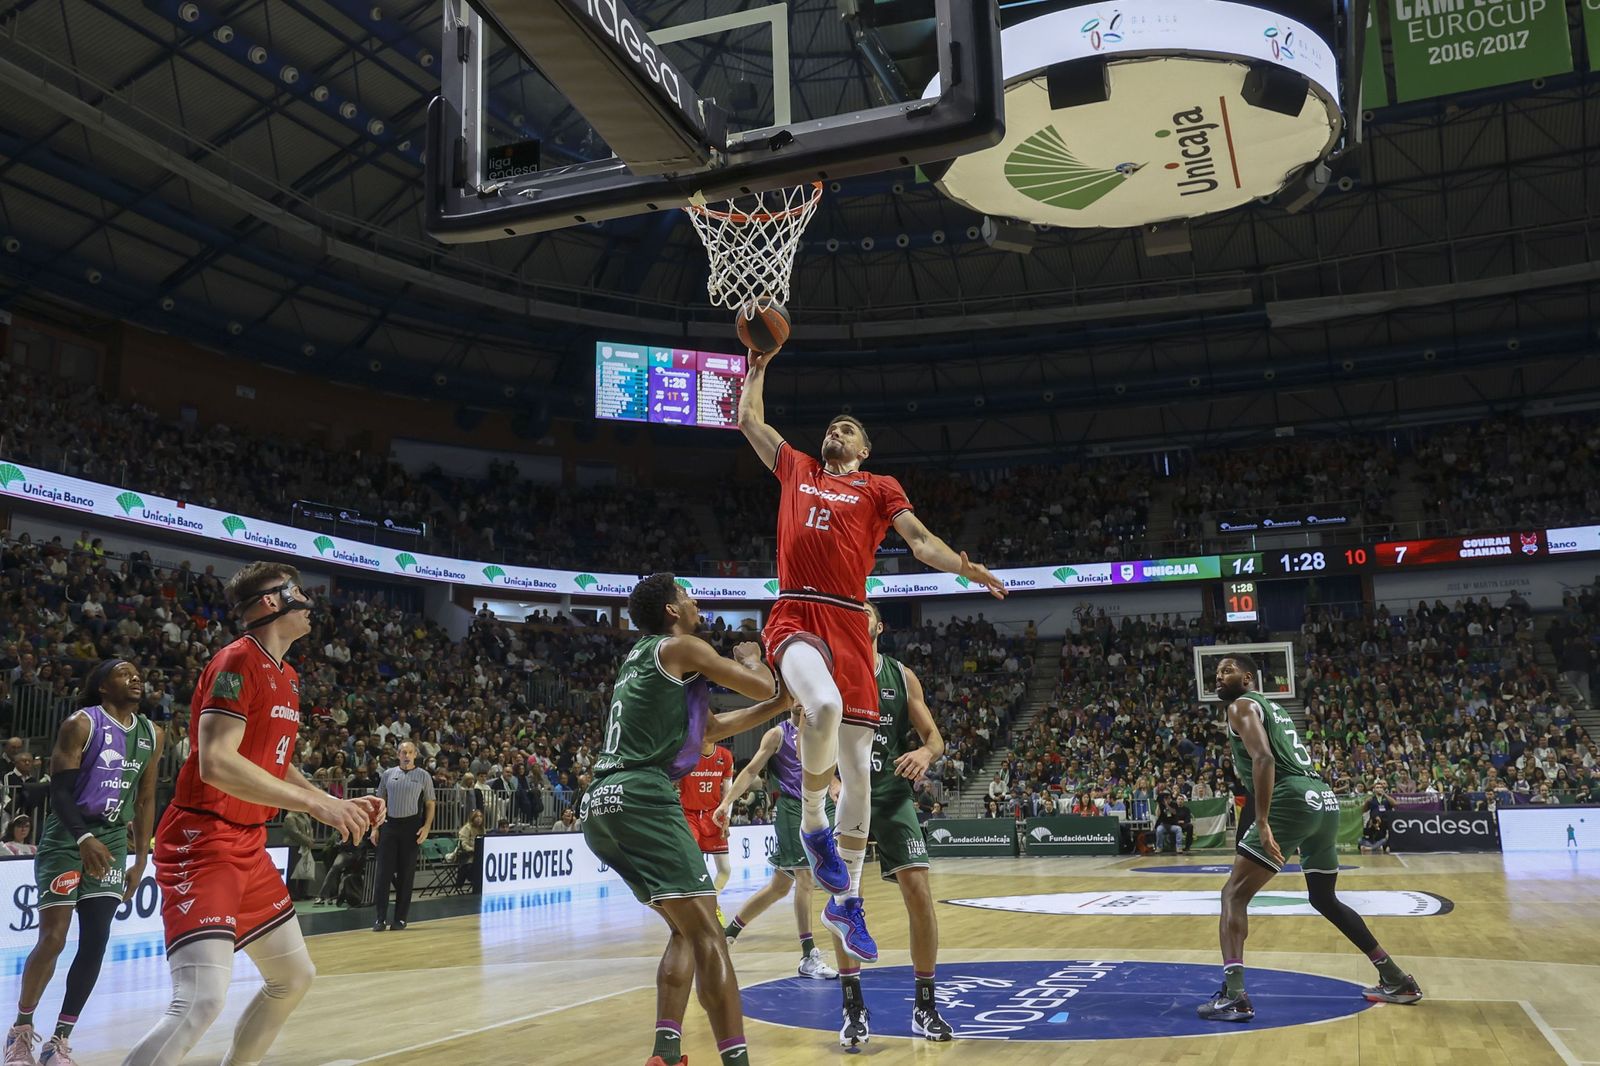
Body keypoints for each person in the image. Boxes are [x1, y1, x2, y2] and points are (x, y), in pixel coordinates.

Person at [737, 343, 1005, 963]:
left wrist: (968, 569)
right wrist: (757, 367)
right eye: (832, 425)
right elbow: (751, 420)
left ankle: (847, 899)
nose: (836, 430)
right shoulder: (796, 467)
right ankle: (812, 825)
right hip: (799, 608)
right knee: (822, 707)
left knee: (857, 772)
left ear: (863, 451)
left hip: (851, 622)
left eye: (848, 429)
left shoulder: (881, 487)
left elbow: (920, 541)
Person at [122, 562, 383, 1066]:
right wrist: (315, 803)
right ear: (273, 602)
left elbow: (272, 765)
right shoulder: (236, 662)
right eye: (299, 593)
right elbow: (218, 762)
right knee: (200, 999)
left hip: (248, 842)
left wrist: (334, 804)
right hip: (204, 837)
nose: (308, 603)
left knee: (294, 977)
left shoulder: (287, 676)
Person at [580, 573, 791, 1066]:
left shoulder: (644, 661)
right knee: (709, 932)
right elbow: (759, 682)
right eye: (686, 595)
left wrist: (778, 706)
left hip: (600, 805)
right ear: (672, 611)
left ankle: (667, 1052)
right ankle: (736, 1061)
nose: (695, 601)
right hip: (643, 796)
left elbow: (711, 731)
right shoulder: (682, 647)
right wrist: (753, 660)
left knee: (684, 928)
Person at [1198, 654, 1422, 1023]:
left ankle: (1234, 996)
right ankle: (1397, 978)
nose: (1219, 677)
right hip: (1323, 797)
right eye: (1217, 672)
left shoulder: (1240, 706)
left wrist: (1263, 819)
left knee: (1233, 894)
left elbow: (1264, 759)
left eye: (1227, 670)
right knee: (1323, 897)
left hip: (1292, 797)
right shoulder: (1276, 709)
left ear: (1248, 678)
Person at [6, 660, 162, 1066]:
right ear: (102, 686)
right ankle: (20, 1030)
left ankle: (59, 1040)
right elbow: (59, 794)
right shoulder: (81, 723)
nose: (136, 678)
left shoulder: (151, 734)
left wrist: (142, 858)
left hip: (113, 840)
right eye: (125, 673)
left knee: (96, 939)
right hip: (67, 836)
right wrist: (83, 837)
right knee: (54, 938)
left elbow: (146, 799)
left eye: (138, 674)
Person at [827, 601, 955, 1050]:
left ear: (879, 625)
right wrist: (832, 782)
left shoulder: (901, 676)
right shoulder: (831, 671)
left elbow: (934, 737)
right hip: (849, 798)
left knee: (919, 892)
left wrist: (925, 753)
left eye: (863, 609)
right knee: (845, 902)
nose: (854, 613)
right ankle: (853, 1008)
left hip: (892, 793)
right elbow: (809, 737)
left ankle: (924, 1006)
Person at [714, 705, 838, 981]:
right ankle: (808, 955)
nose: (797, 699)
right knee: (805, 878)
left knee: (778, 887)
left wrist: (836, 784)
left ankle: (727, 936)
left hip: (820, 806)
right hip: (793, 809)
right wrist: (727, 801)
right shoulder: (777, 735)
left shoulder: (823, 729)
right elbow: (749, 771)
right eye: (792, 692)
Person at [370, 741, 435, 932]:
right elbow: (379, 803)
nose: (406, 755)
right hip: (389, 825)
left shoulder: (423, 776)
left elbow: (430, 803)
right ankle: (380, 918)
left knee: (406, 875)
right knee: (383, 874)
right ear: (397, 754)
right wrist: (375, 828)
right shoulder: (388, 774)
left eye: (410, 752)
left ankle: (400, 919)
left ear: (415, 755)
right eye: (403, 752)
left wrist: (427, 827)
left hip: (411, 827)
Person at [678, 739, 735, 924]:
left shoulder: (724, 756)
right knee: (693, 866)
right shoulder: (686, 754)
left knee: (725, 870)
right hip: (689, 814)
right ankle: (694, 912)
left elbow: (729, 791)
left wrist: (727, 817)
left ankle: (711, 905)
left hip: (714, 815)